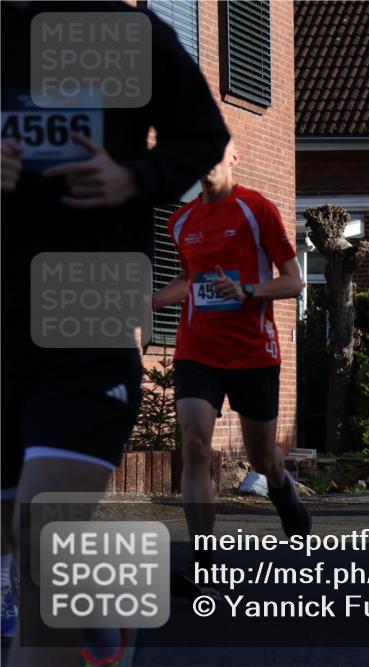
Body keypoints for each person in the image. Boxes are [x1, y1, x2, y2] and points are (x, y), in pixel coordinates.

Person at [1, 3, 230, 665]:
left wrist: (135, 177)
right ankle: (98, 607)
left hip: (86, 317)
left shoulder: (128, 34)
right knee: (18, 543)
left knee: (41, 538)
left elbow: (204, 136)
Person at [152, 141, 311, 599]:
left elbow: (294, 280)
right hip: (197, 349)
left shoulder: (256, 210)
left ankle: (281, 488)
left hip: (252, 352)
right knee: (195, 445)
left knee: (262, 458)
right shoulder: (180, 220)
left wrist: (248, 291)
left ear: (233, 157)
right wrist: (154, 300)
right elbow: (189, 279)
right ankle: (203, 563)